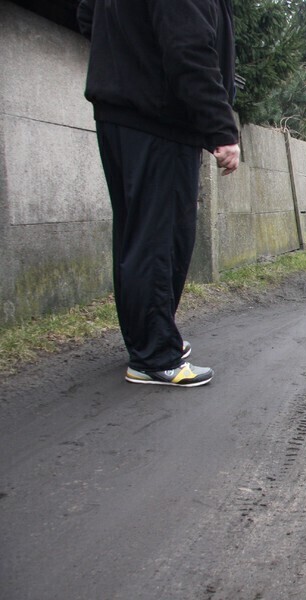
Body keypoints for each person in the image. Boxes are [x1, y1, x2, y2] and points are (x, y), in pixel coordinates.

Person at [77, 0, 241, 387]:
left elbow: (86, 14)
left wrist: (129, 56)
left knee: (137, 237)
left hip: (124, 112)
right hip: (159, 118)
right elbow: (188, 46)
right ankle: (154, 356)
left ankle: (148, 340)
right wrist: (221, 128)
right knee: (161, 241)